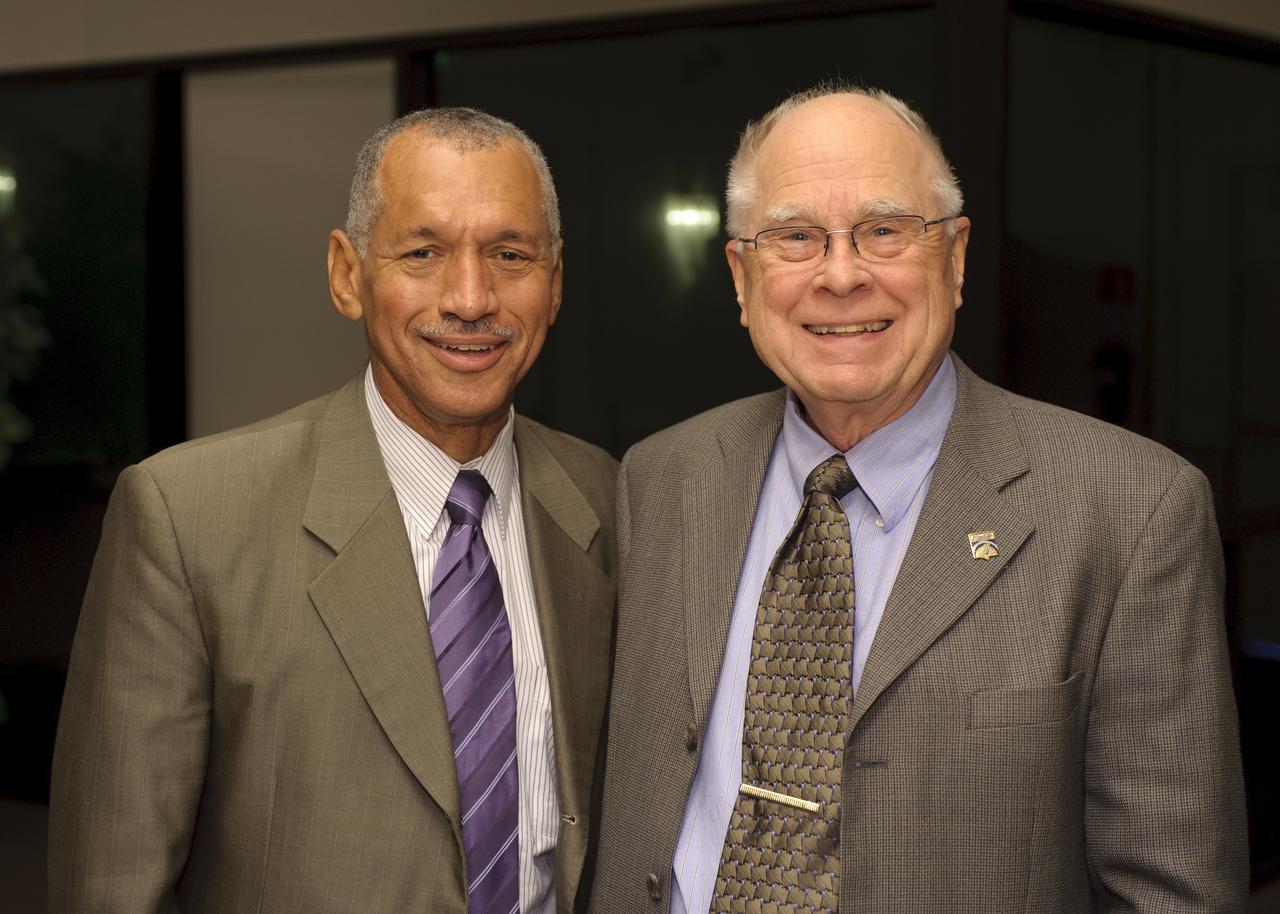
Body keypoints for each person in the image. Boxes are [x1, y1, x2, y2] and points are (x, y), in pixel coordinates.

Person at [589, 85, 1246, 913]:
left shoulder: (1133, 509)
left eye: (885, 231)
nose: (839, 275)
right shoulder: (660, 479)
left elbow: (1173, 894)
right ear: (741, 276)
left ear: (957, 257)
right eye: (795, 237)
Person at [49, 107, 617, 914]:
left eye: (510, 255)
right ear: (348, 275)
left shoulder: (603, 500)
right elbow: (110, 887)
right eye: (422, 252)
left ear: (554, 285)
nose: (470, 297)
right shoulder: (187, 518)